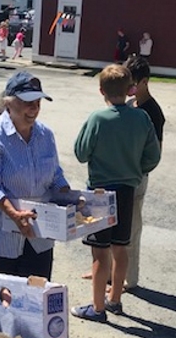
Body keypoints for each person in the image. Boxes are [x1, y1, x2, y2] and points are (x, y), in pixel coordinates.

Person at [71, 64, 160, 322]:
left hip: (99, 191)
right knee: (121, 248)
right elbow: (152, 156)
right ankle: (115, 299)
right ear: (129, 89)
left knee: (100, 252)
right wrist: (135, 167)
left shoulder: (97, 119)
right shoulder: (142, 118)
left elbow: (81, 153)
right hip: (127, 190)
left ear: (102, 91)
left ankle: (97, 307)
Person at [0, 72, 69, 285]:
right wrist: (13, 213)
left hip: (40, 235)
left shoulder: (46, 135)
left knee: (36, 297)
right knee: (5, 301)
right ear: (9, 102)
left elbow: (56, 175)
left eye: (37, 102)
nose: (34, 108)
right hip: (1, 237)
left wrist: (72, 199)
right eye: (27, 102)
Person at [123, 55, 165, 288]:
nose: (128, 88)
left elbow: (155, 154)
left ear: (145, 82)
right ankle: (109, 272)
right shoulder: (130, 105)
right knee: (114, 227)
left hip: (136, 178)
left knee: (131, 229)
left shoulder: (153, 112)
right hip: (120, 175)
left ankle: (130, 279)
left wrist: (138, 171)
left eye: (133, 84)